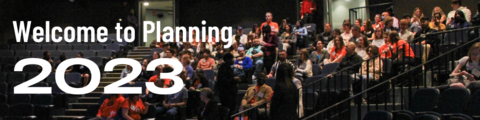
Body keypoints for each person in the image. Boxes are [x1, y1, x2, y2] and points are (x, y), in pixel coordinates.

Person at [215, 53, 238, 117]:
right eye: (232, 59)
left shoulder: (226, 67)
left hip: (229, 93)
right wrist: (234, 79)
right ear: (228, 59)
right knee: (227, 110)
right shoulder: (223, 68)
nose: (233, 60)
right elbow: (224, 81)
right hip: (226, 94)